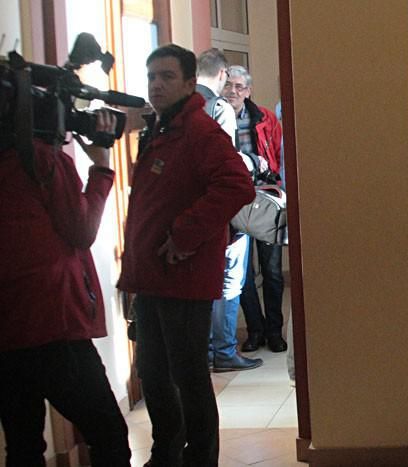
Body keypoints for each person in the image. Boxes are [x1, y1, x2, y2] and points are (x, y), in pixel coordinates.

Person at [118, 44, 255, 467]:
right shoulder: (160, 130)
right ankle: (166, 455)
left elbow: (237, 185)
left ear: (190, 83)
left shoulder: (199, 131)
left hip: (183, 278)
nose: (156, 85)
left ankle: (200, 459)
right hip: (152, 278)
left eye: (166, 77)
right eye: (151, 77)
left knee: (189, 378)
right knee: (154, 376)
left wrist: (184, 235)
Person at [0, 110, 131, 465]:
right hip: (54, 324)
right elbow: (82, 230)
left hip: (7, 330)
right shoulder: (42, 160)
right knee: (108, 435)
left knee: (23, 446)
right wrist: (102, 168)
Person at [196, 48, 262, 372]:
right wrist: (253, 162)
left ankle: (207, 351)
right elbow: (226, 163)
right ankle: (224, 351)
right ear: (222, 74)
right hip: (222, 211)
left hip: (194, 210)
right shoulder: (218, 107)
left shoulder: (184, 106)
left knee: (204, 280)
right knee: (229, 280)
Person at [224, 65, 287, 353]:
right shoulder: (217, 119)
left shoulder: (266, 118)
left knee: (272, 272)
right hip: (234, 202)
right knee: (243, 274)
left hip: (266, 202)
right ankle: (255, 330)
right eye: (229, 85)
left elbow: (279, 156)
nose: (233, 91)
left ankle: (274, 331)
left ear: (248, 91)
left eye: (239, 86)